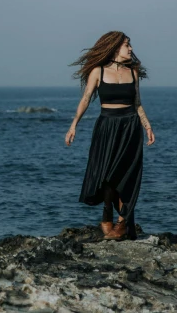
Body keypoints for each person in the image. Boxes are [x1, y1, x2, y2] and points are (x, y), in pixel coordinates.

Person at [65, 31, 155, 241]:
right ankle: (107, 213)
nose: (131, 49)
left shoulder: (132, 72)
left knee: (127, 175)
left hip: (130, 126)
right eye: (127, 45)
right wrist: (73, 125)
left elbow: (138, 103)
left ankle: (122, 223)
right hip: (106, 126)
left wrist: (148, 126)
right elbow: (86, 98)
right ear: (115, 48)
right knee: (106, 174)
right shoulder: (98, 71)